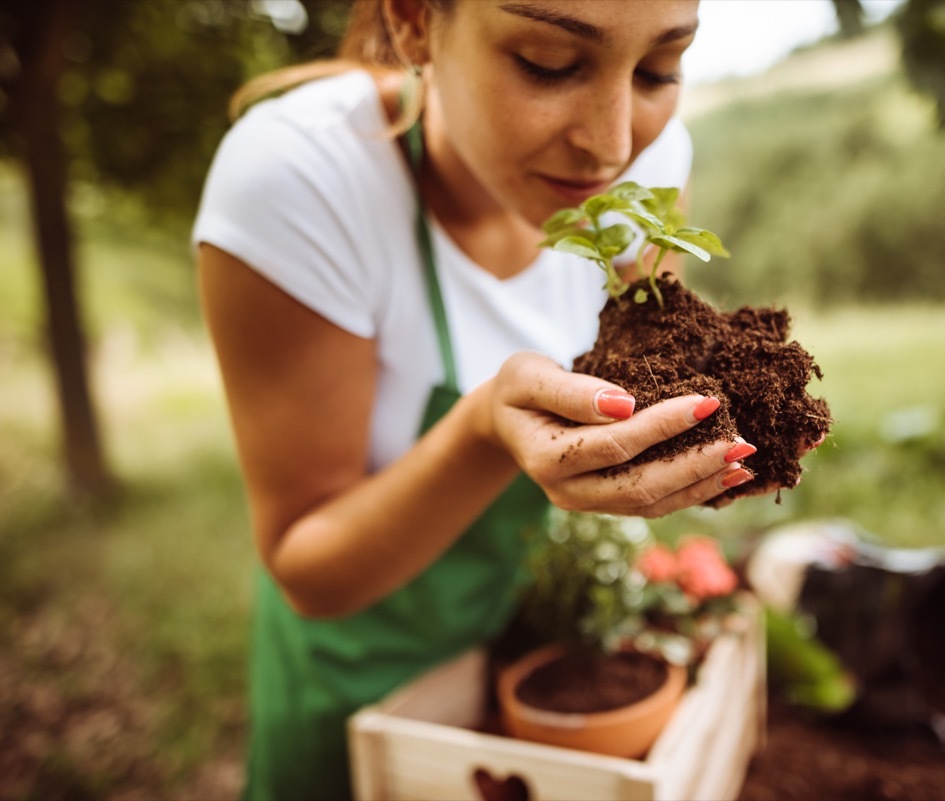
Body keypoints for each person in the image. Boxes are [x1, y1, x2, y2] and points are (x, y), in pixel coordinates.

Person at [192, 2, 797, 798]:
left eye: (658, 69)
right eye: (549, 63)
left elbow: (662, 332)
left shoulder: (648, 165)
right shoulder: (301, 177)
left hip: (535, 653)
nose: (611, 145)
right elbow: (309, 569)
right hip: (363, 685)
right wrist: (482, 431)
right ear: (413, 22)